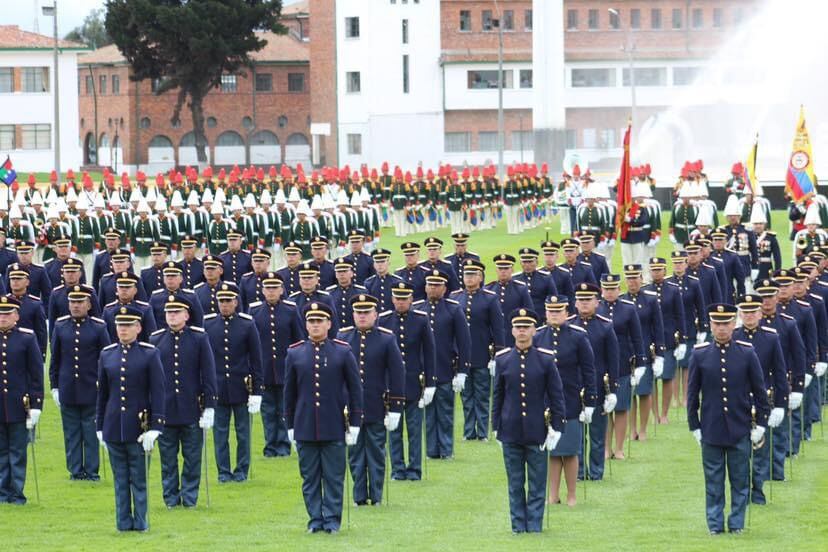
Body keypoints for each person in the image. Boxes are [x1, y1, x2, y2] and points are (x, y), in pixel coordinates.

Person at [687, 303, 768, 535]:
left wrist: (760, 424)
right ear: (711, 325)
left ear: (734, 324)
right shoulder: (700, 354)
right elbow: (692, 395)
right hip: (711, 428)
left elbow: (760, 392)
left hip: (740, 427)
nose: (721, 328)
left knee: (740, 479)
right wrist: (695, 425)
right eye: (717, 324)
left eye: (726, 324)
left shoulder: (746, 352)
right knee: (713, 481)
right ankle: (714, 524)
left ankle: (736, 524)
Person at [284, 301, 363, 534]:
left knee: (333, 477)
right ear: (306, 324)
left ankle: (331, 520)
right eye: (311, 321)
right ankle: (315, 520)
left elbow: (355, 390)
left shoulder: (342, 351)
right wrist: (290, 425)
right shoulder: (295, 352)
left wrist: (355, 424)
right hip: (305, 425)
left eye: (320, 321)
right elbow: (289, 394)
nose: (315, 325)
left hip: (334, 425)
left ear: (329, 324)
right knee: (309, 478)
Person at [493, 307, 566, 533]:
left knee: (536, 483)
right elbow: (498, 396)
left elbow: (556, 395)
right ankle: (517, 525)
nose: (522, 331)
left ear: (534, 330)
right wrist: (496, 426)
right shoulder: (503, 359)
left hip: (537, 430)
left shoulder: (545, 359)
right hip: (511, 430)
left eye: (526, 327)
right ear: (512, 331)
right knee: (515, 482)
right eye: (518, 327)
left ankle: (534, 525)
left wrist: (557, 427)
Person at [96, 304, 165, 531]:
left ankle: (141, 521)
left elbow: (158, 391)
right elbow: (103, 395)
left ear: (138, 328)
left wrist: (156, 427)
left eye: (128, 326)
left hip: (140, 425)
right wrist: (100, 426)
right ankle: (123, 523)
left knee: (139, 478)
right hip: (114, 425)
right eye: (119, 326)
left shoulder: (149, 353)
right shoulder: (107, 355)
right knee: (120, 479)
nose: (123, 330)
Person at [337, 294, 405, 506]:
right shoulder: (343, 337)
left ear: (376, 314)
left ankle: (375, 495)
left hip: (376, 402)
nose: (362, 317)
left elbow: (397, 373)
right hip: (350, 407)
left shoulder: (386, 338)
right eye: (359, 313)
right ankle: (358, 496)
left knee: (376, 451)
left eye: (367, 313)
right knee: (355, 453)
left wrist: (395, 406)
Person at [150, 295, 217, 508]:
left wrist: (209, 407)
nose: (172, 316)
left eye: (177, 312)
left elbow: (208, 374)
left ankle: (189, 497)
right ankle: (170, 498)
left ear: (186, 315)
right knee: (168, 459)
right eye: (169, 312)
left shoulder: (199, 338)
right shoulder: (156, 339)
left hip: (191, 407)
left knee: (192, 457)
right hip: (166, 410)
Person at [534, 295, 595, 506]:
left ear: (566, 312)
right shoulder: (538, 336)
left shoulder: (578, 336)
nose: (554, 315)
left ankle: (571, 495)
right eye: (551, 312)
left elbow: (589, 371)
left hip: (570, 399)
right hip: (545, 402)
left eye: (558, 312)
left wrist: (590, 402)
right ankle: (553, 494)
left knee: (569, 450)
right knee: (551, 451)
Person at [203, 282, 263, 483]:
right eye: (221, 301)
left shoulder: (247, 324)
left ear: (236, 302)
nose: (225, 304)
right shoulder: (209, 324)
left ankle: (241, 471)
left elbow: (256, 360)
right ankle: (223, 472)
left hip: (241, 386)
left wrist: (257, 392)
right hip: (218, 387)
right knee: (220, 434)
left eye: (228, 300)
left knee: (243, 433)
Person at [49, 285, 110, 481]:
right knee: (71, 432)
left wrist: (106, 387)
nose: (75, 306)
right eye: (72, 302)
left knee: (91, 431)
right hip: (68, 387)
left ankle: (92, 471)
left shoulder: (99, 327)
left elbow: (106, 359)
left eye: (80, 302)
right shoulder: (60, 325)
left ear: (89, 304)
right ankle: (75, 470)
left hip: (92, 388)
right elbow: (55, 359)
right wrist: (54, 386)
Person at [733, 294, 788, 505]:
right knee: (739, 449)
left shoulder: (771, 337)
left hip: (762, 399)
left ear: (759, 313)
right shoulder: (734, 336)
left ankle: (757, 489)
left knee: (760, 447)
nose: (749, 316)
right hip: (738, 399)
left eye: (752, 312)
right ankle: (742, 489)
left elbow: (779, 372)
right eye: (745, 312)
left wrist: (780, 405)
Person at [379, 282, 436, 480]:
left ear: (411, 300)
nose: (401, 302)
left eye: (405, 299)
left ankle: (414, 469)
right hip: (391, 385)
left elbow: (429, 353)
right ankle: (397, 469)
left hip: (413, 382)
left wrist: (430, 383)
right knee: (394, 431)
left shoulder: (420, 320)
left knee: (414, 430)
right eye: (398, 298)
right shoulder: (384, 320)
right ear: (392, 299)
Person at [248, 273, 303, 457]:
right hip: (264, 369)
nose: (271, 292)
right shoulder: (254, 311)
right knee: (268, 410)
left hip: (285, 368)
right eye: (268, 288)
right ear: (262, 290)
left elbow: (298, 340)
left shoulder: (290, 309)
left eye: (275, 288)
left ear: (281, 290)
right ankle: (270, 445)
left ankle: (284, 444)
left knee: (284, 409)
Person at [450, 259, 505, 440]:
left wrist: (497, 355)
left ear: (480, 277)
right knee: (466, 396)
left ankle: (482, 431)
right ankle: (468, 431)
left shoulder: (490, 298)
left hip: (482, 353)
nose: (469, 278)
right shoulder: (455, 297)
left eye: (473, 274)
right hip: (461, 355)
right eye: (466, 274)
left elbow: (498, 329)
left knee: (482, 395)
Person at [420, 269, 471, 459]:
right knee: (428, 414)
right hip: (423, 371)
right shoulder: (419, 309)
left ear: (444, 288)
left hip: (445, 368)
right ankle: (432, 451)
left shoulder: (453, 308)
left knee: (445, 412)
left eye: (437, 285)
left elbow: (464, 341)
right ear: (425, 287)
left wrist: (462, 371)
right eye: (430, 285)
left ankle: (446, 450)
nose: (433, 288)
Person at [570, 283, 618, 481]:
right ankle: (579, 472)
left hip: (598, 386)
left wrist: (612, 390)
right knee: (578, 436)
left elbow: (613, 360)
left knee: (598, 434)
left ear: (597, 303)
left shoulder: (605, 326)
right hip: (574, 386)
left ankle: (597, 472)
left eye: (588, 300)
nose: (584, 304)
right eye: (580, 300)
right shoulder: (569, 325)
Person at [597, 274, 647, 459]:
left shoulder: (628, 309)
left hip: (623, 363)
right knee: (604, 409)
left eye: (613, 289)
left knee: (621, 407)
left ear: (618, 289)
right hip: (601, 365)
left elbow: (637, 337)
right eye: (606, 289)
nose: (609, 293)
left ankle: (618, 448)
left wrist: (641, 363)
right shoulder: (597, 308)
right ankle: (605, 448)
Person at [0, 296, 44, 504]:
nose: (3, 317)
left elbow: (36, 374)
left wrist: (36, 406)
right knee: (1, 450)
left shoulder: (27, 338)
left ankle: (17, 492)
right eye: (1, 313)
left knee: (18, 451)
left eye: (7, 314)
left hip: (20, 404)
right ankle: (2, 492)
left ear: (16, 316)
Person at [621, 264, 665, 441]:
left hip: (645, 350)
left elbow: (658, 327)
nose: (632, 282)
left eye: (635, 277)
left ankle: (644, 428)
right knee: (630, 394)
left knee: (644, 392)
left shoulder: (650, 300)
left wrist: (660, 353)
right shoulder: (622, 300)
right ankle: (632, 430)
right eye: (629, 278)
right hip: (626, 352)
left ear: (641, 278)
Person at [644, 257, 687, 425]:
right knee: (652, 379)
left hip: (668, 338)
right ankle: (654, 414)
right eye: (653, 270)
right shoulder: (645, 290)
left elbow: (680, 315)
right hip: (650, 339)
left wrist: (682, 339)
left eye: (658, 269)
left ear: (664, 270)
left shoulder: (673, 290)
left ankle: (664, 413)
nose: (656, 273)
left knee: (668, 376)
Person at [148, 262, 204, 329]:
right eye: (167, 276)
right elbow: (150, 322)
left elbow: (198, 320)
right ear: (163, 278)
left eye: (173, 276)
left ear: (181, 278)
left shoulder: (191, 296)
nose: (170, 278)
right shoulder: (155, 297)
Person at [513, 247, 558, 317]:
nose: (527, 265)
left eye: (530, 262)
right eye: (524, 262)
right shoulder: (515, 279)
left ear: (536, 262)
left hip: (541, 316)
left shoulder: (545, 278)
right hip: (520, 317)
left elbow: (553, 299)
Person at [327, 257, 366, 330]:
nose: (342, 274)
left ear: (352, 273)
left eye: (345, 271)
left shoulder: (361, 292)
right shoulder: (329, 293)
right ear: (335, 274)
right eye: (339, 271)